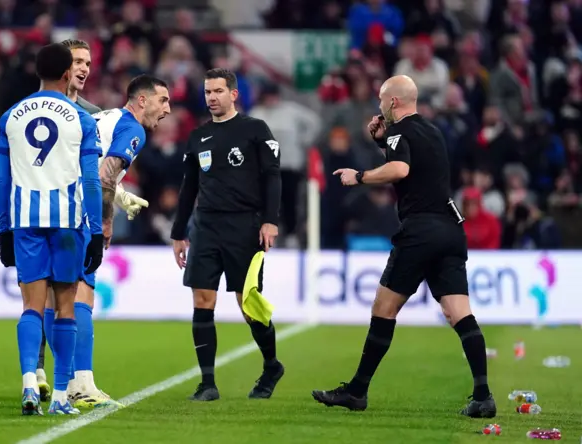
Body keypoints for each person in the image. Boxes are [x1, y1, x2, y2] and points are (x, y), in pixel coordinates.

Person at [311, 75, 497, 418]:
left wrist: (361, 176)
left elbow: (400, 168)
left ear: (394, 102)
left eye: (383, 100)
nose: (380, 106)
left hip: (421, 230)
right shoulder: (432, 130)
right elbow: (418, 167)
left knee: (383, 308)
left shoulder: (400, 131)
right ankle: (483, 395)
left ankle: (357, 392)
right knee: (459, 313)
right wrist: (383, 141)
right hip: (451, 228)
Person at [0, 43, 104, 415]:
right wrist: (98, 231)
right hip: (68, 224)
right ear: (66, 74)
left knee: (31, 307)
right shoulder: (81, 119)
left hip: (25, 221)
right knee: (66, 308)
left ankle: (28, 384)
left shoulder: (11, 116)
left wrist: (4, 229)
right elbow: (90, 181)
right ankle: (59, 397)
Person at [171, 68, 283, 401]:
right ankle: (207, 383)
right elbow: (188, 186)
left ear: (234, 94)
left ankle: (271, 365)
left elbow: (273, 176)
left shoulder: (255, 130)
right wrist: (179, 233)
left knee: (247, 305)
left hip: (245, 226)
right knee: (202, 300)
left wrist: (270, 221)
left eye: (218, 91)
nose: (211, 98)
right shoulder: (198, 136)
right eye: (207, 92)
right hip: (205, 227)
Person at [63, 74, 170, 409]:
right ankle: (81, 383)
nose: (167, 109)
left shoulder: (105, 117)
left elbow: (86, 162)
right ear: (142, 101)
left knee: (58, 297)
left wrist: (121, 195)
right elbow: (105, 173)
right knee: (82, 294)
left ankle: (52, 381)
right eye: (162, 100)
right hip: (79, 212)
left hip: (51, 205)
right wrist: (105, 221)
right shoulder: (132, 128)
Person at [35, 38, 103, 403]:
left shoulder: (94, 114)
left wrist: (103, 216)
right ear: (62, 67)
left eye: (88, 63)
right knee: (39, 296)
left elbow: (98, 173)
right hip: (38, 213)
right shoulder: (30, 109)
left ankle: (71, 381)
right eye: (77, 61)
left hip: (75, 219)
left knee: (67, 296)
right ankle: (38, 371)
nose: (83, 68)